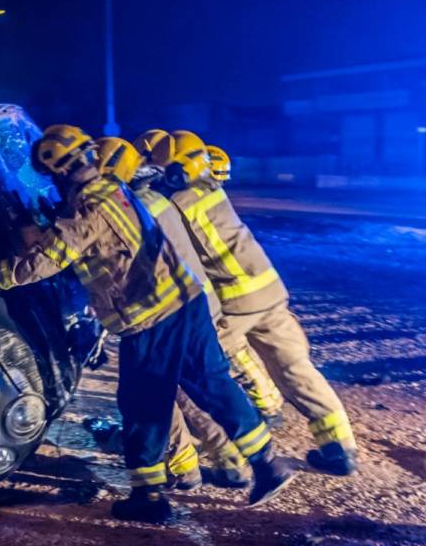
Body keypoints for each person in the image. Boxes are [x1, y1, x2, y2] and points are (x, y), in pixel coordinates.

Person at [0, 124, 294, 523]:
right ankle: (268, 463)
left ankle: (148, 497)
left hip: (150, 317)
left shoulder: (85, 211)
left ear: (59, 172)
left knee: (143, 403)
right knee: (213, 382)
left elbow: (45, 261)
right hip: (187, 302)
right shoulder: (115, 190)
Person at [153, 130, 360, 476]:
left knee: (204, 369)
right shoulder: (212, 191)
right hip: (270, 293)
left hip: (236, 302)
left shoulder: (176, 202)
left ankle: (236, 454)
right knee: (297, 370)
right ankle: (340, 448)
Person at [96, 136, 252, 489]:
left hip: (169, 312)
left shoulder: (131, 208)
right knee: (186, 389)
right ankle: (210, 463)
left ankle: (213, 464)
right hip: (194, 305)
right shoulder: (156, 200)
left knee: (172, 392)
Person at [135, 131, 287, 423]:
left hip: (202, 285)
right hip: (204, 280)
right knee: (225, 348)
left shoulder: (165, 194)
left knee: (227, 345)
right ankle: (262, 401)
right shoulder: (170, 189)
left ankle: (266, 404)